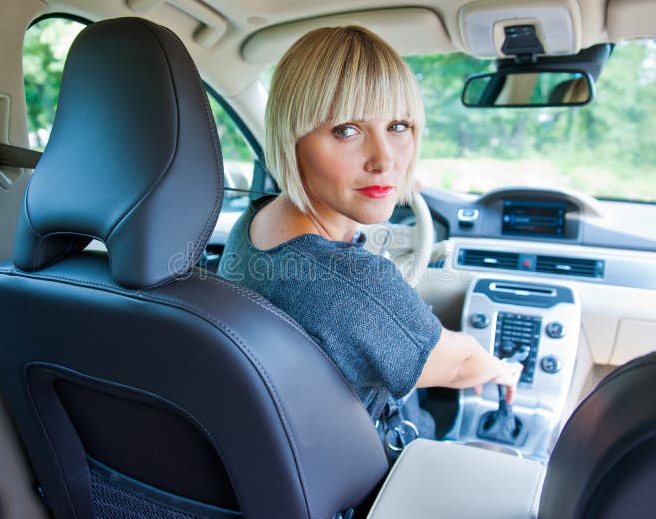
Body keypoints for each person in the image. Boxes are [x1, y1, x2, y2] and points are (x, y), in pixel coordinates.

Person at [218, 26, 522, 442]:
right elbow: (458, 365)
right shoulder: (351, 283)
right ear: (291, 139)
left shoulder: (256, 223)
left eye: (398, 126)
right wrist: (504, 368)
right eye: (346, 130)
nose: (385, 160)